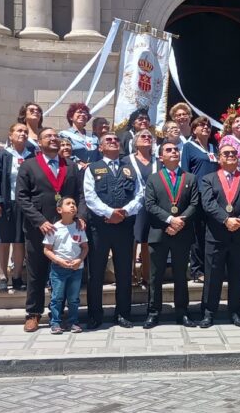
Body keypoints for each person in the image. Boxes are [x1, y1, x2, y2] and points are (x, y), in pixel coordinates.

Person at [16, 127, 85, 332]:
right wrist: (39, 221)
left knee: (63, 271)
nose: (53, 138)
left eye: (56, 136)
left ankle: (60, 314)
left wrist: (80, 216)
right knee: (36, 272)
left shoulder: (70, 166)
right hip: (39, 227)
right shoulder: (29, 165)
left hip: (66, 229)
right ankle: (33, 313)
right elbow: (22, 197)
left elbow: (80, 195)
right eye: (48, 136)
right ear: (39, 142)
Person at [82, 132, 143, 329]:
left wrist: (124, 212)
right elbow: (89, 197)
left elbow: (139, 194)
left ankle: (123, 313)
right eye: (108, 140)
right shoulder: (92, 168)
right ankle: (95, 314)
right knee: (96, 272)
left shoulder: (129, 169)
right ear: (100, 147)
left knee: (124, 272)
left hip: (124, 227)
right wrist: (109, 213)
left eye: (116, 139)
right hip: (99, 228)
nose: (113, 141)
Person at [199, 140, 240, 328]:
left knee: (237, 276)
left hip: (239, 235)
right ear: (219, 158)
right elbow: (208, 204)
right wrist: (226, 219)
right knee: (212, 276)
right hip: (216, 236)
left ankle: (235, 312)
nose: (231, 155)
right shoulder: (209, 179)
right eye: (226, 153)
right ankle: (209, 312)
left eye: (234, 153)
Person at [143, 141, 200, 328]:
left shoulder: (190, 178)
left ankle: (182, 312)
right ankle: (153, 312)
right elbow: (150, 204)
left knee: (181, 275)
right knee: (155, 275)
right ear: (161, 157)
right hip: (159, 232)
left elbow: (194, 204)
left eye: (176, 149)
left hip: (182, 233)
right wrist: (169, 220)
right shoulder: (153, 179)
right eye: (169, 150)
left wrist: (179, 222)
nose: (174, 152)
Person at [0, 122, 32, 293]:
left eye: (25, 132)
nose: (23, 134)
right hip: (5, 203)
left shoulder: (32, 155)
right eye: (19, 131)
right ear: (10, 135)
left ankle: (17, 276)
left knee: (19, 241)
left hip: (24, 204)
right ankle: (3, 276)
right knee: (4, 240)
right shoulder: (1, 155)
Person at [42, 197, 88, 334]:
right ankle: (55, 322)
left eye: (74, 203)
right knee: (57, 297)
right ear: (59, 210)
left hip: (76, 269)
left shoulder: (79, 227)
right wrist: (58, 261)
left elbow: (85, 247)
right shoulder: (54, 228)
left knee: (74, 298)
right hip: (58, 269)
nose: (72, 206)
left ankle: (73, 321)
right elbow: (46, 250)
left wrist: (79, 260)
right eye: (68, 204)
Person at [181, 116, 219, 283]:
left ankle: (211, 267)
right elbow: (185, 171)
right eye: (201, 125)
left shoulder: (214, 147)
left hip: (214, 195)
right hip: (198, 195)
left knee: (211, 232)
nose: (205, 128)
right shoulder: (188, 147)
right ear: (194, 129)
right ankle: (197, 270)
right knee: (198, 233)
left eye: (208, 125)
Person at [124, 128, 158, 287]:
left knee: (147, 239)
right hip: (132, 204)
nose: (147, 138)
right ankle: (130, 274)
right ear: (135, 142)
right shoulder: (126, 160)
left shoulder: (158, 161)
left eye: (149, 137)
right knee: (132, 238)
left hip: (153, 204)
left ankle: (147, 275)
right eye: (143, 136)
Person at [59, 103, 99, 167]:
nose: (83, 114)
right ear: (71, 117)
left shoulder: (93, 137)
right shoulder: (63, 135)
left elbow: (99, 154)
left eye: (85, 113)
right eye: (79, 112)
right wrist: (79, 162)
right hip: (73, 168)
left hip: (92, 169)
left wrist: (93, 165)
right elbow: (62, 152)